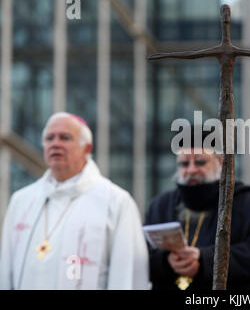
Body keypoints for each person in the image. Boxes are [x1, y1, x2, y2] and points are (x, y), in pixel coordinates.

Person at [0, 112, 149, 290]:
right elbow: (6, 271)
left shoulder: (115, 202)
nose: (55, 144)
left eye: (65, 138)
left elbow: (127, 276)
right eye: (49, 138)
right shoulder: (22, 201)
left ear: (86, 148)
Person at [144, 128, 250, 290]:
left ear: (220, 161)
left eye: (200, 162)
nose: (191, 170)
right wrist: (167, 261)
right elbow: (140, 257)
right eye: (184, 164)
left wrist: (204, 260)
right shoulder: (160, 205)